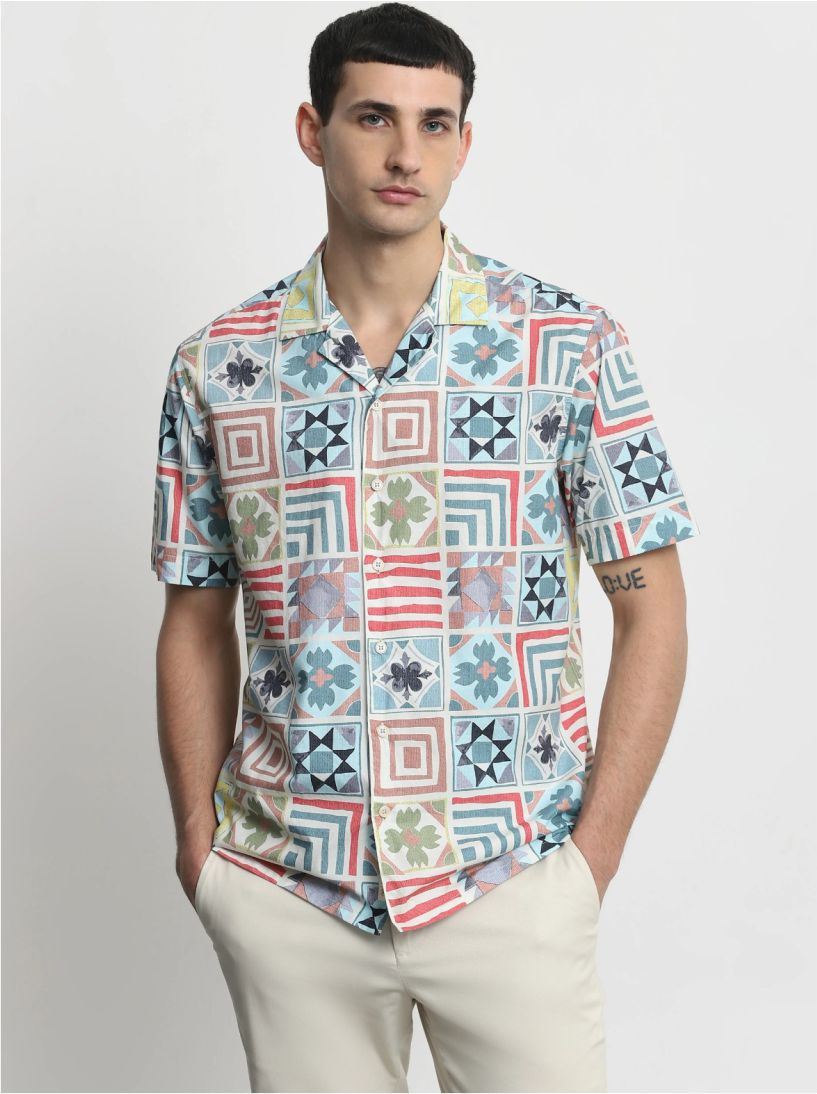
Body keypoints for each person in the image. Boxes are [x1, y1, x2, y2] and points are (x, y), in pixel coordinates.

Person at [150, 4, 700, 1091]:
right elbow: (194, 618)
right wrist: (201, 853)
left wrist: (589, 860)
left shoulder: (565, 345)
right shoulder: (217, 367)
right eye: (373, 117)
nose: (406, 153)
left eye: (434, 123)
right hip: (289, 884)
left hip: (511, 877)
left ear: (463, 141)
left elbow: (653, 607)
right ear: (312, 130)